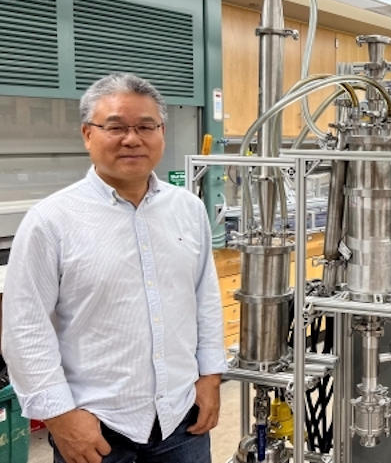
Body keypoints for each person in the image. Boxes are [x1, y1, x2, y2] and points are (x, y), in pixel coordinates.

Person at [2, 73, 227, 463]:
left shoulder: (188, 209)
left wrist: (210, 377)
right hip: (96, 427)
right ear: (88, 134)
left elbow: (203, 298)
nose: (132, 139)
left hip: (181, 419)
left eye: (145, 127)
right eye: (116, 127)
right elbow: (25, 329)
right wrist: (59, 417)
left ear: (162, 133)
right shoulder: (51, 220)